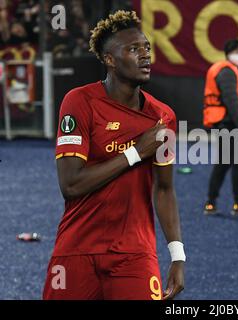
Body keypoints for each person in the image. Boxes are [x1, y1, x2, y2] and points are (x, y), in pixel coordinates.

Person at [42, 10, 185, 300]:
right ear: (109, 59)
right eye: (134, 49)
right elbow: (71, 185)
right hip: (76, 249)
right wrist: (135, 152)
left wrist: (177, 255)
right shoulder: (79, 102)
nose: (145, 55)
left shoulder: (163, 117)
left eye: (146, 47)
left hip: (135, 254)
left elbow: (165, 189)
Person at [202, 39, 238, 217]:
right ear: (228, 53)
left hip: (225, 123)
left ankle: (212, 202)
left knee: (225, 163)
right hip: (229, 124)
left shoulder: (226, 71)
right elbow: (232, 101)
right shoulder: (227, 72)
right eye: (237, 51)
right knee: (237, 163)